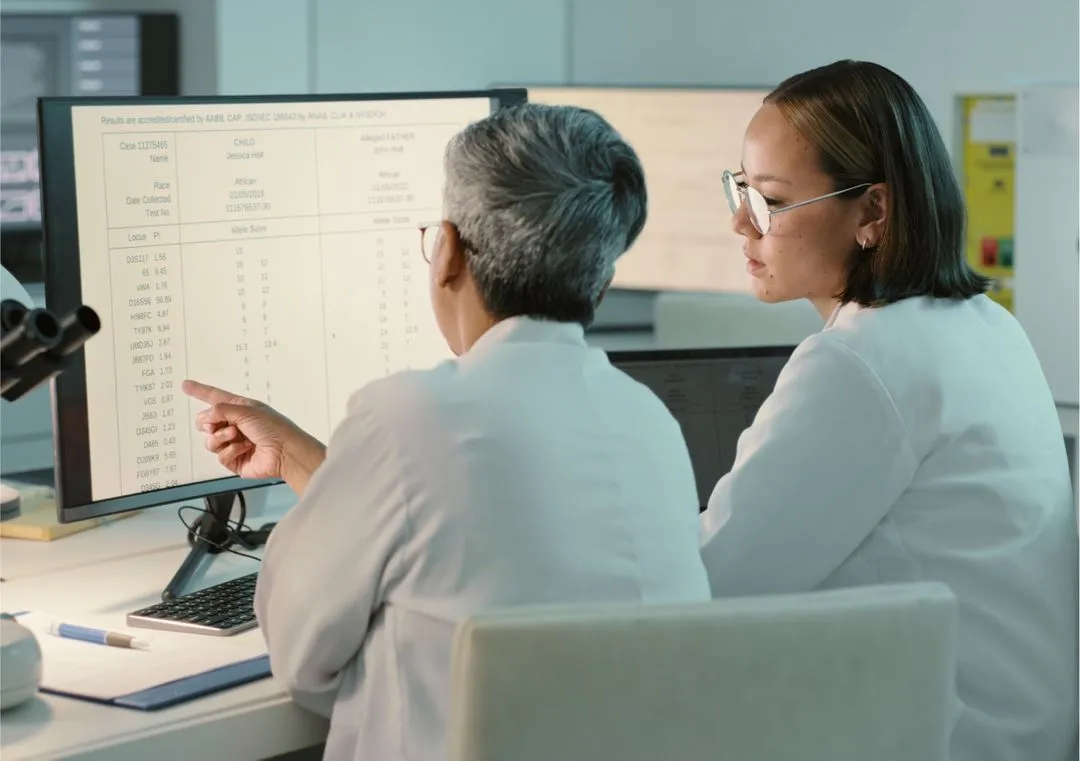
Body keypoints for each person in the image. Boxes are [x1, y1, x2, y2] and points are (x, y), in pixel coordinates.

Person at [184, 103, 711, 761]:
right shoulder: (648, 419)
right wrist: (296, 457)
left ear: (448, 252)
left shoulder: (406, 415)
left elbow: (302, 660)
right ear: (600, 284)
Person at [703, 59, 1078, 761]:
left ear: (872, 213)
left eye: (770, 200)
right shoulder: (985, 322)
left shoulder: (860, 361)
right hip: (1020, 730)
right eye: (741, 188)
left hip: (945, 737)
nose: (740, 223)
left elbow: (714, 581)